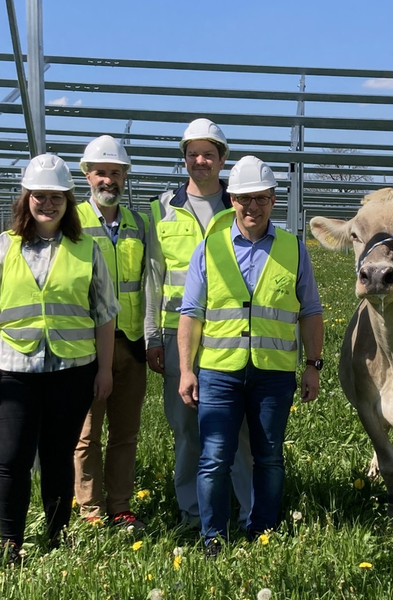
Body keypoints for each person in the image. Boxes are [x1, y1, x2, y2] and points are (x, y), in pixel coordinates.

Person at [0, 154, 117, 563]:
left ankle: (56, 534)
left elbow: (104, 316)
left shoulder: (88, 250)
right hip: (13, 372)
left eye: (56, 198)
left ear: (68, 202)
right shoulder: (3, 247)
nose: (47, 205)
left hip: (72, 371)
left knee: (57, 457)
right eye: (39, 196)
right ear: (26, 199)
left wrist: (103, 369)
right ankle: (10, 540)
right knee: (10, 459)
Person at [178, 156, 324, 557]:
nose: (252, 208)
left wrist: (313, 365)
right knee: (214, 458)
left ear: (273, 200)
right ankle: (213, 538)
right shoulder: (209, 249)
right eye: (244, 199)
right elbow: (191, 313)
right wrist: (186, 370)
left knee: (270, 457)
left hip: (273, 373)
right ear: (232, 200)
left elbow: (310, 310)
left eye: (260, 199)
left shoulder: (294, 250)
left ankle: (264, 530)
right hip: (219, 372)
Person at [144, 119, 252, 530]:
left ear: (222, 159)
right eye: (193, 154)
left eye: (209, 153)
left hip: (231, 333)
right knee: (187, 428)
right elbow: (153, 278)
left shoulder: (239, 206)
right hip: (178, 336)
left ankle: (247, 510)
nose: (200, 161)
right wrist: (152, 336)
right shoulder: (163, 209)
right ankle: (193, 513)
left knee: (237, 428)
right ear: (184, 158)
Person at [73, 135, 149, 529]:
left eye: (116, 173)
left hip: (132, 344)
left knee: (125, 433)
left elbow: (149, 282)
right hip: (86, 347)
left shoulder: (138, 224)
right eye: (101, 172)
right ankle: (89, 510)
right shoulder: (73, 222)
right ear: (87, 176)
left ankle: (120, 506)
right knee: (86, 434)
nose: (108, 180)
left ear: (125, 177)